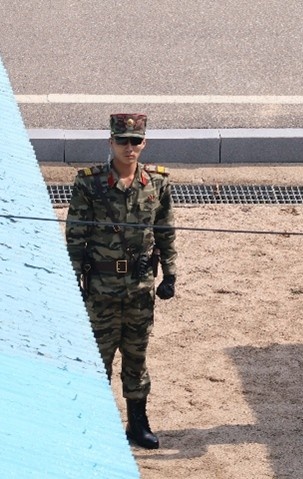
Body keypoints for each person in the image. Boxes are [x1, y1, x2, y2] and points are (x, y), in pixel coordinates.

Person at [65, 113, 177, 449]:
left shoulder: (157, 183)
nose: (129, 148)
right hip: (100, 290)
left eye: (135, 141)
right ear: (110, 142)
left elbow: (165, 231)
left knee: (136, 356)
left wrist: (170, 273)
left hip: (140, 289)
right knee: (98, 360)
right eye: (122, 140)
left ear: (144, 143)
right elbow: (75, 236)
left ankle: (137, 424)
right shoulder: (90, 183)